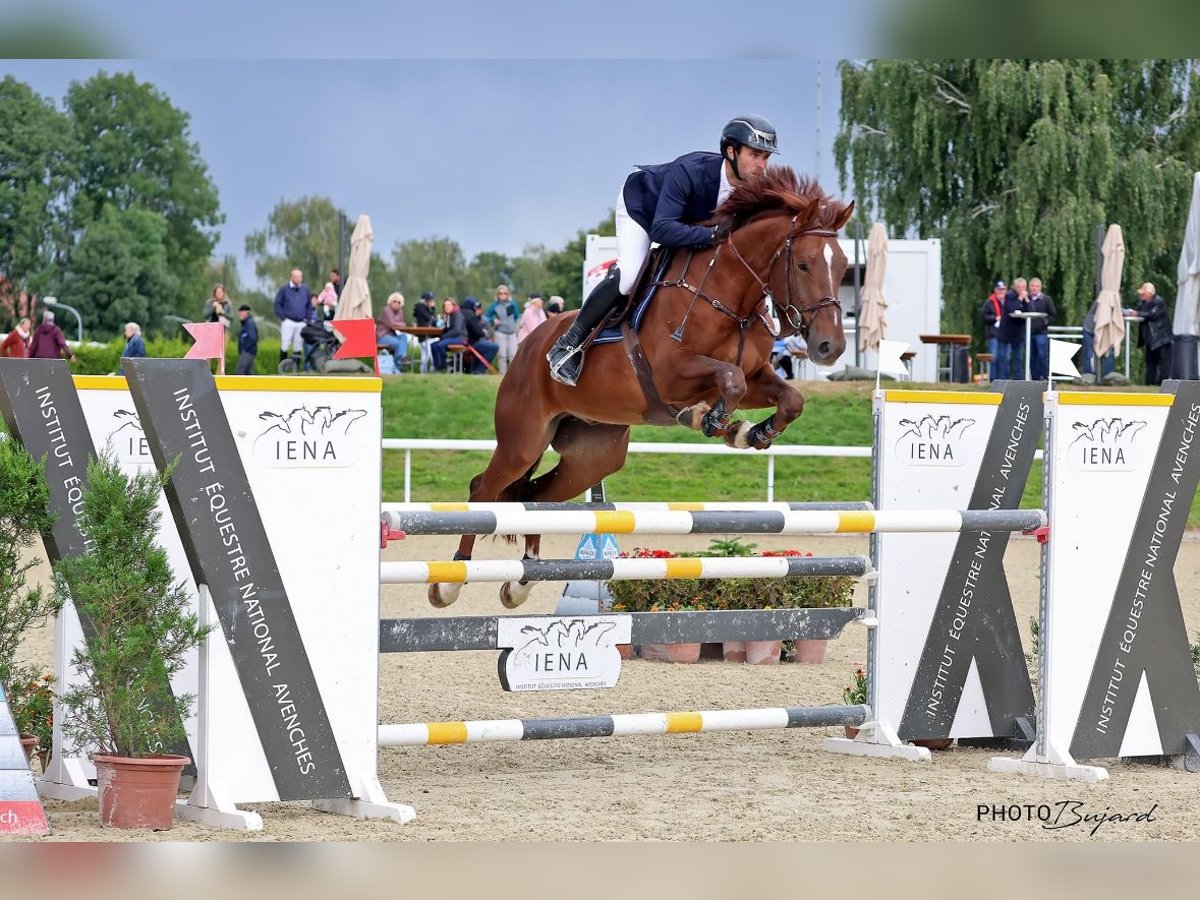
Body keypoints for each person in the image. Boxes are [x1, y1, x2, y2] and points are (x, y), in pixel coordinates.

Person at [546, 114, 779, 386]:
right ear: (731, 151)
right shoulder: (690, 171)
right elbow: (662, 229)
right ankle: (568, 344)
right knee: (631, 274)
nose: (761, 165)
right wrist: (711, 234)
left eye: (766, 157)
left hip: (687, 224)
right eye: (755, 155)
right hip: (644, 209)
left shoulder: (758, 189)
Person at [274, 268, 312, 368]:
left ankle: (295, 368)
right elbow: (277, 303)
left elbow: (309, 305)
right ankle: (282, 367)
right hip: (288, 321)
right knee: (285, 344)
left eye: (300, 277)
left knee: (298, 346)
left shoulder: (305, 289)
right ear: (291, 277)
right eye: (296, 276)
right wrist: (282, 317)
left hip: (301, 321)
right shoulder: (284, 289)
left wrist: (307, 318)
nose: (298, 279)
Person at [1136, 282, 1173, 385]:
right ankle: (1149, 382)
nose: (1141, 296)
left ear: (1149, 294)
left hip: (1162, 337)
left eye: (1143, 294)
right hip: (1151, 338)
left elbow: (1153, 315)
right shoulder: (1143, 304)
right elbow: (1142, 313)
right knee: (1150, 361)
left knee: (1163, 361)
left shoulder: (1158, 301)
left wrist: (1137, 313)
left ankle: (1162, 382)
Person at [994, 277, 1029, 379]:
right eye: (1019, 287)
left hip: (1018, 332)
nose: (1021, 290)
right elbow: (1011, 309)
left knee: (1018, 357)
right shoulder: (1009, 295)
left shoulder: (1026, 296)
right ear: (1015, 287)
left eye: (1023, 287)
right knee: (1003, 357)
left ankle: (1019, 379)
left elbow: (1031, 309)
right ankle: (1001, 379)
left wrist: (1026, 300)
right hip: (1006, 331)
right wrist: (1020, 299)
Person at [485, 284, 521, 373]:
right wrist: (493, 319)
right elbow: (486, 317)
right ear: (497, 295)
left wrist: (516, 328)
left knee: (513, 355)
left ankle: (513, 375)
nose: (503, 295)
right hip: (500, 333)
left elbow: (517, 316)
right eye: (500, 293)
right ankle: (502, 375)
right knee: (502, 355)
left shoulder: (513, 304)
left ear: (508, 294)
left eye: (505, 293)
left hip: (512, 333)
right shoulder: (494, 306)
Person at [1026, 277, 1057, 380]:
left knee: (1042, 356)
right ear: (1029, 287)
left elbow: (1053, 314)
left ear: (1040, 287)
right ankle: (1034, 378)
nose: (1034, 288)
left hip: (1041, 332)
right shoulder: (1026, 299)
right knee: (1031, 357)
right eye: (1032, 286)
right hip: (1029, 332)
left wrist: (1045, 322)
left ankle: (1046, 377)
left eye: (1037, 286)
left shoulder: (1046, 299)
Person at [461, 296, 499, 373]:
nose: (476, 308)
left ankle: (475, 369)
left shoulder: (460, 312)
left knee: (484, 345)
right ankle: (478, 370)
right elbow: (479, 333)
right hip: (470, 342)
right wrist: (483, 333)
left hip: (461, 340)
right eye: (475, 306)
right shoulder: (471, 314)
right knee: (494, 347)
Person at [1081, 298, 1116, 379]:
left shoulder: (1114, 300)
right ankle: (1088, 375)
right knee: (1088, 353)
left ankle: (1108, 375)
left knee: (1109, 351)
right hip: (1090, 328)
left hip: (1104, 329)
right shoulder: (1103, 298)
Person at [430, 297, 468, 371]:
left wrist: (444, 336)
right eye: (445, 305)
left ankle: (444, 365)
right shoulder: (448, 316)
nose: (446, 307)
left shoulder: (457, 314)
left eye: (448, 305)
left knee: (440, 345)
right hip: (452, 337)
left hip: (460, 338)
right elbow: (448, 328)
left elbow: (457, 330)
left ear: (453, 306)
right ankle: (437, 367)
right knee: (433, 345)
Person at [979, 280, 1006, 381]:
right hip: (993, 334)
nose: (1001, 291)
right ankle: (993, 380)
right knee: (994, 358)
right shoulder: (990, 302)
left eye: (1003, 289)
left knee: (1004, 358)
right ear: (995, 290)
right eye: (999, 289)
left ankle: (1003, 380)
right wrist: (995, 318)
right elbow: (983, 316)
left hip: (1005, 335)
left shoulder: (1008, 301)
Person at [376, 292, 410, 367]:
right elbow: (392, 324)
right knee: (399, 344)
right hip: (382, 336)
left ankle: (400, 360)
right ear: (390, 301)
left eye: (399, 302)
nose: (396, 303)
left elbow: (402, 325)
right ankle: (399, 364)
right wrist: (400, 323)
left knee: (404, 337)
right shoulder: (386, 310)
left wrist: (400, 324)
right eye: (394, 301)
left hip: (392, 335)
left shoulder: (400, 311)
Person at [235, 305, 258, 375]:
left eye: (241, 313)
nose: (240, 315)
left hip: (248, 351)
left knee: (240, 371)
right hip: (248, 351)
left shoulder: (249, 323)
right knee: (249, 373)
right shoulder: (246, 323)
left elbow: (253, 338)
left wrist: (245, 349)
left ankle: (239, 386)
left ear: (246, 312)